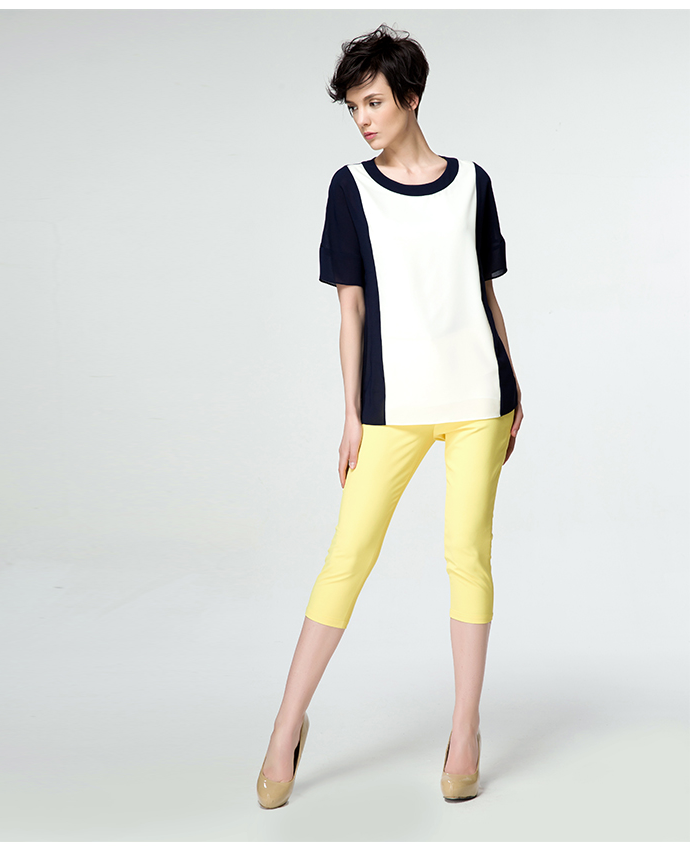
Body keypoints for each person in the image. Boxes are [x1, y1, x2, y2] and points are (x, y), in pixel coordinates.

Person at [256, 23, 523, 808]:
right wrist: (350, 414)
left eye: (373, 102)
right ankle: (285, 727)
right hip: (392, 406)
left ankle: (465, 729)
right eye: (353, 107)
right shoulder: (350, 188)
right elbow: (350, 310)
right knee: (347, 557)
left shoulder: (472, 183)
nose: (362, 119)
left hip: (478, 398)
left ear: (410, 97)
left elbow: (483, 292)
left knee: (468, 556)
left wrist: (515, 382)